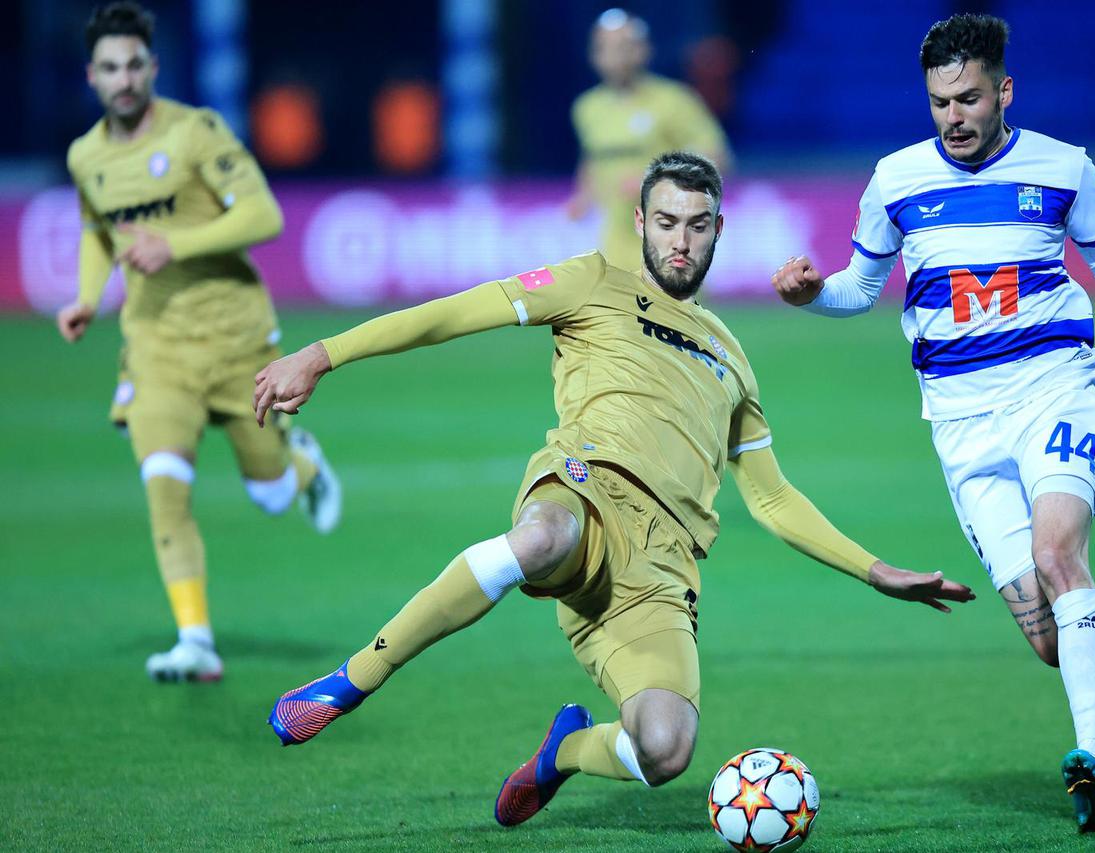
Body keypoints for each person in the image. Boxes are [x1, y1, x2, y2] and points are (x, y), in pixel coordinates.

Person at [256, 151, 974, 827]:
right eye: (665, 224)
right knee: (542, 536)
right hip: (584, 491)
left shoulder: (733, 358)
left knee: (665, 748)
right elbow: (451, 312)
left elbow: (772, 498)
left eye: (697, 226)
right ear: (640, 223)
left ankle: (563, 752)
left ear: (720, 229)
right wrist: (325, 353)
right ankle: (350, 681)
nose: (680, 242)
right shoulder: (593, 280)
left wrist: (877, 571)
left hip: (659, 574)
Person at [770, 14, 1095, 834]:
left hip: (1054, 385)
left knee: (1059, 552)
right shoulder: (896, 180)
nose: (954, 114)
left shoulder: (1063, 167)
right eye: (941, 100)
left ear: (1004, 90)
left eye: (970, 96)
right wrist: (813, 294)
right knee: (1056, 638)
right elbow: (858, 287)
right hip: (960, 420)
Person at [57, 2, 341, 683]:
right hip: (155, 348)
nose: (123, 79)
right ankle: (195, 640)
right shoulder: (85, 157)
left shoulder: (195, 134)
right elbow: (100, 232)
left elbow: (265, 212)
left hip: (237, 338)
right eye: (109, 68)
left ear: (152, 68)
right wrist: (89, 296)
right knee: (165, 484)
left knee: (269, 493)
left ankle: (299, 466)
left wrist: (175, 243)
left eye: (133, 65)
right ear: (91, 76)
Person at [566, 8, 731, 271]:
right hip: (617, 239)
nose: (614, 56)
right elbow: (592, 158)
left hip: (670, 239)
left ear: (643, 50)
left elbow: (716, 155)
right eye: (604, 48)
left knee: (672, 308)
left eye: (623, 47)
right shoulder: (587, 108)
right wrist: (584, 196)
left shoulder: (674, 100)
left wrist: (655, 181)